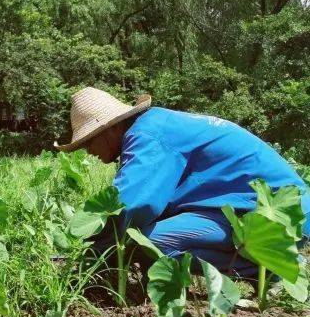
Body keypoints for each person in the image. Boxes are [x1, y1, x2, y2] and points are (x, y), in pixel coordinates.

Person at [57, 87, 310, 278]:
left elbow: (136, 205)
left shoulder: (147, 134)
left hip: (280, 214)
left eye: (89, 142)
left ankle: (272, 268)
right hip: (268, 209)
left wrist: (93, 254)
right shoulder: (157, 124)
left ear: (109, 129)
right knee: (144, 239)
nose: (89, 151)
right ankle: (270, 262)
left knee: (149, 242)